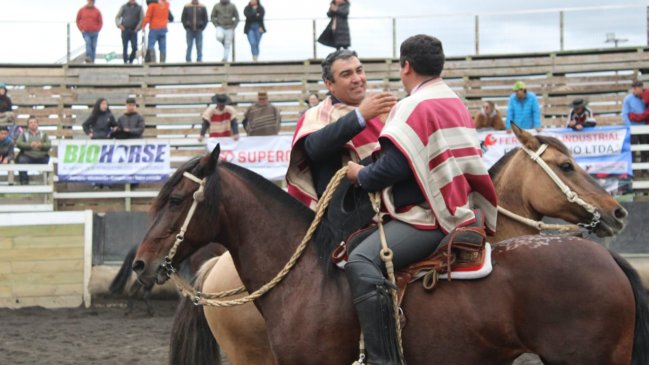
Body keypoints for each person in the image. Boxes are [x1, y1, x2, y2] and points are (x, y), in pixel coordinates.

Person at [345, 35, 498, 365]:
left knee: (360, 260)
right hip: (463, 207)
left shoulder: (413, 104)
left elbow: (396, 166)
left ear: (406, 67)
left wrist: (361, 175)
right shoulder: (453, 100)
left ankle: (382, 360)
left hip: (431, 217)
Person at [286, 49, 396, 209]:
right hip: (349, 215)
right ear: (329, 84)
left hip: (392, 202)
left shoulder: (381, 108)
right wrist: (360, 115)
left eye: (359, 71)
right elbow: (314, 148)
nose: (357, 79)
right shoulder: (317, 115)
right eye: (347, 74)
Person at [15, 116, 52, 185]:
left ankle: (47, 181)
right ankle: (24, 182)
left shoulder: (43, 134)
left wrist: (41, 145)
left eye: (35, 122)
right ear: (28, 125)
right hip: (28, 156)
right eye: (31, 123)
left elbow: (49, 145)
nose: (33, 124)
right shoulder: (24, 134)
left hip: (41, 157)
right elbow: (18, 143)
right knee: (21, 161)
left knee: (51, 161)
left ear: (38, 124)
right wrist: (29, 145)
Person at [622, 80, 649, 162]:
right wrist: (630, 127)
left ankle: (644, 170)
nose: (639, 90)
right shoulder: (628, 99)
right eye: (637, 88)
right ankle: (633, 170)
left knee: (645, 149)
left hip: (643, 127)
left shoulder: (645, 98)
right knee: (633, 148)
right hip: (633, 127)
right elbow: (625, 113)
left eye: (640, 88)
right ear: (633, 89)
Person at [115, 0, 144, 64]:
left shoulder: (139, 8)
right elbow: (117, 17)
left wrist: (138, 27)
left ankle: (130, 60)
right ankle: (125, 61)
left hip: (134, 30)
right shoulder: (124, 7)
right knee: (125, 47)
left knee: (134, 47)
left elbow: (142, 19)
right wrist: (119, 25)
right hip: (125, 30)